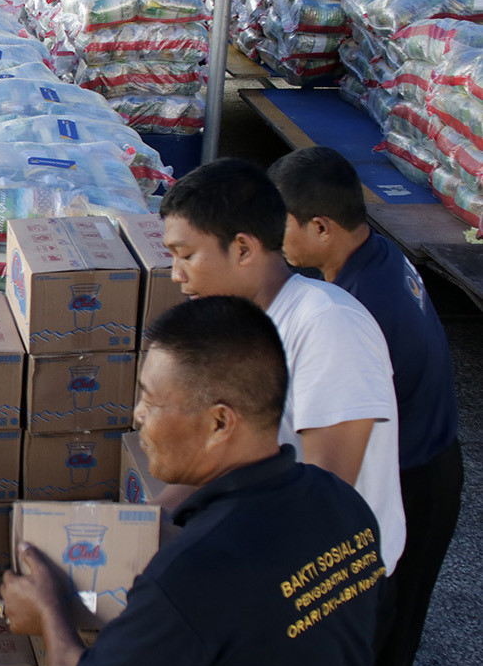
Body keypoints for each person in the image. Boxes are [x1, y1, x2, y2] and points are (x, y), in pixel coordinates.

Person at [0, 296, 385, 666]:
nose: (137, 416)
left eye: (151, 400)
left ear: (220, 422)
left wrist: (49, 612)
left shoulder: (193, 572)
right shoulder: (343, 506)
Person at [268, 146, 463, 666]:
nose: (275, 240)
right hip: (421, 454)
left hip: (412, 479)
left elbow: (334, 474)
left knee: (380, 648)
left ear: (320, 228)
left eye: (283, 225)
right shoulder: (373, 258)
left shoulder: (358, 314)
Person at [157, 158, 406, 576]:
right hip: (272, 554)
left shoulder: (328, 326)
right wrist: (139, 525)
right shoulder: (237, 327)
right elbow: (213, 456)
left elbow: (328, 496)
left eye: (186, 256)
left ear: (243, 249)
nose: (175, 274)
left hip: (328, 581)